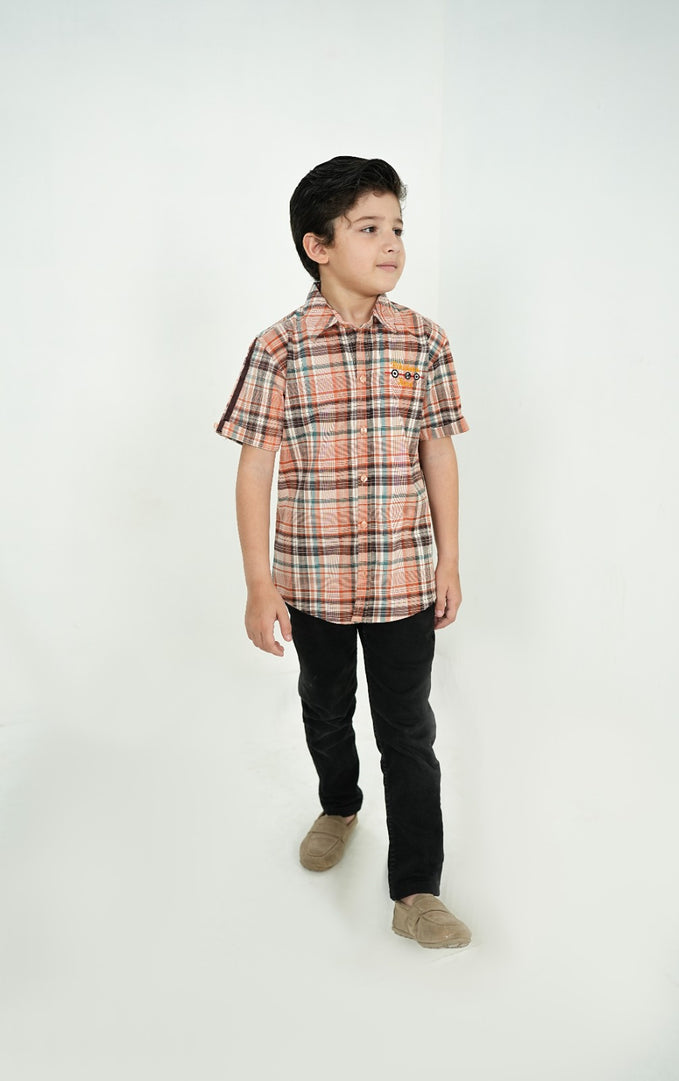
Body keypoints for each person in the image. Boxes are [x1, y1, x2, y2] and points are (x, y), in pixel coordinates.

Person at [216, 156, 471, 948]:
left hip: (402, 580)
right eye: (368, 228)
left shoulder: (424, 340)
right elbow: (255, 464)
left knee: (409, 731)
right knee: (325, 707)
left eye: (397, 227)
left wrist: (448, 559)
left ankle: (416, 890)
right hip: (312, 581)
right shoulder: (279, 348)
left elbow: (437, 450)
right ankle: (339, 804)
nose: (391, 243)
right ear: (318, 245)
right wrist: (259, 584)